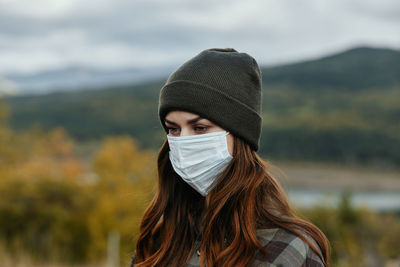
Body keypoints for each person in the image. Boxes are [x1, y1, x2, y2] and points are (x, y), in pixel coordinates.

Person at [132, 48, 330, 266]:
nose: (184, 142)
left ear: (239, 135)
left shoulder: (287, 250)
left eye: (199, 128)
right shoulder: (159, 244)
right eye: (173, 129)